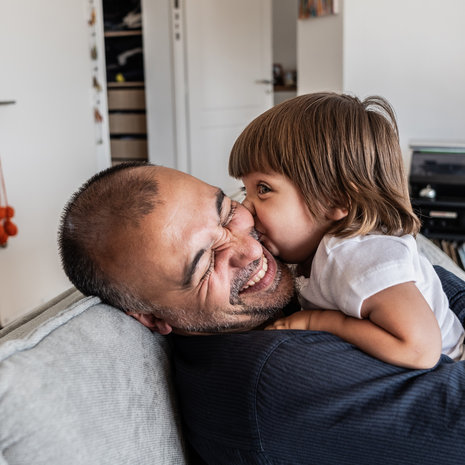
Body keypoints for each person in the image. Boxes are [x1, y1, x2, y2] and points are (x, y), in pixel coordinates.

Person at [59, 162, 465, 465]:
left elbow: (443, 294)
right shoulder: (277, 376)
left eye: (227, 211)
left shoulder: (280, 288)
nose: (251, 250)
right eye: (204, 263)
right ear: (150, 318)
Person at [229, 92, 464, 369]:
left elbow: (419, 349)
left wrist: (321, 322)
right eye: (246, 189)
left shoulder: (355, 257)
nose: (245, 208)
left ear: (335, 201)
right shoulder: (308, 252)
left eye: (264, 189)